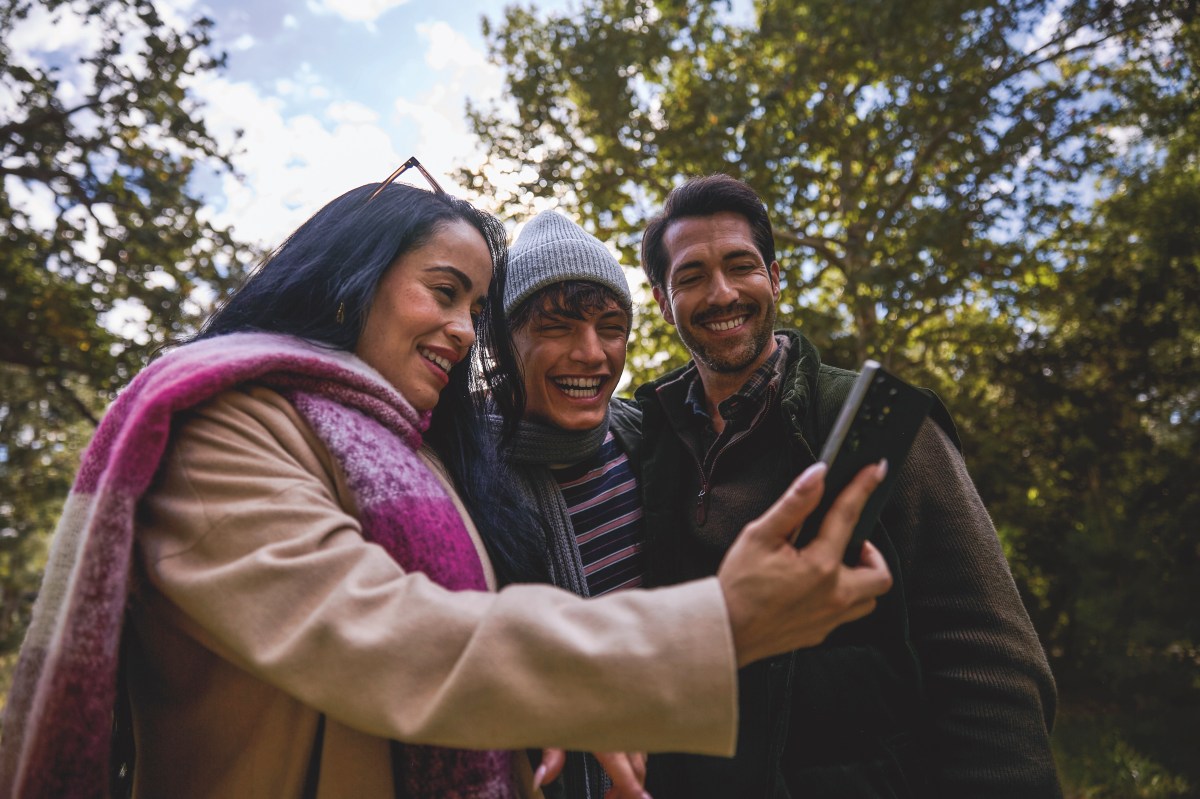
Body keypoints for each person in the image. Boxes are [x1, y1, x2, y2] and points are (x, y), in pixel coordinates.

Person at [0, 167, 895, 799]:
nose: (464, 330)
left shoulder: (419, 448)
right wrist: (715, 624)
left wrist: (556, 703)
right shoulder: (228, 423)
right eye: (445, 292)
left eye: (474, 305)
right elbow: (392, 636)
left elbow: (469, 637)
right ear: (352, 280)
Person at [634, 174, 1061, 798]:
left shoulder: (881, 427)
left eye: (740, 266)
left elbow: (987, 659)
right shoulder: (649, 439)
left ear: (775, 278)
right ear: (663, 300)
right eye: (692, 276)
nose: (721, 292)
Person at [500, 210, 648, 797]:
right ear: (502, 341)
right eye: (557, 327)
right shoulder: (456, 472)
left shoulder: (652, 444)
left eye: (610, 327)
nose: (591, 353)